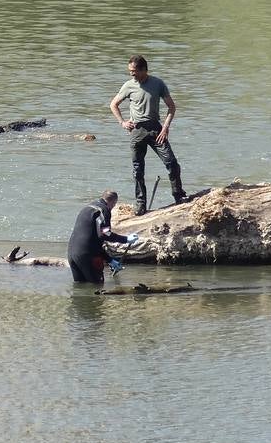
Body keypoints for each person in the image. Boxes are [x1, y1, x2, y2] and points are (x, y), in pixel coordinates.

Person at [109, 54, 186, 215]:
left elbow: (171, 107)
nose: (131, 74)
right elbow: (113, 104)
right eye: (130, 71)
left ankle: (179, 196)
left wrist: (165, 128)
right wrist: (122, 122)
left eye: (134, 71)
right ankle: (140, 203)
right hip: (137, 130)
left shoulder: (158, 84)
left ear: (144, 69)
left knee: (171, 163)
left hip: (156, 129)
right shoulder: (128, 86)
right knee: (138, 169)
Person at [67, 190, 134, 284]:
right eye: (114, 205)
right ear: (113, 202)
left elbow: (94, 240)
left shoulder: (87, 208)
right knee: (97, 287)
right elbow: (105, 234)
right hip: (88, 255)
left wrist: (110, 260)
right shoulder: (104, 210)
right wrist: (126, 239)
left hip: (72, 253)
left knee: (80, 287)